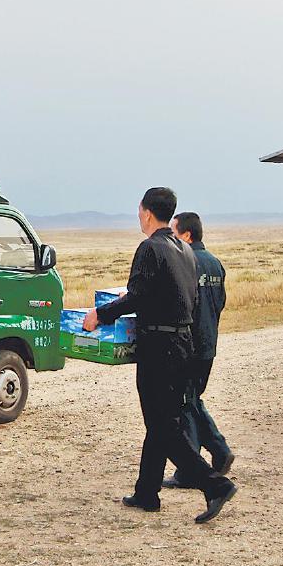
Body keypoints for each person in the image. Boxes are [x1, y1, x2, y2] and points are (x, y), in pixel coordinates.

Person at [83, 188, 237, 523]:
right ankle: (146, 492)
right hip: (182, 344)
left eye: (139, 210)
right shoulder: (185, 250)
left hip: (159, 347)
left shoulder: (150, 248)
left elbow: (136, 297)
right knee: (160, 422)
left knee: (163, 427)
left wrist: (100, 315)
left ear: (147, 212)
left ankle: (215, 485)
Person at [162, 212, 234, 489]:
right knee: (191, 399)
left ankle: (190, 469)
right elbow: (220, 302)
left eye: (174, 233)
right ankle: (219, 451)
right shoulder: (215, 263)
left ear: (187, 236)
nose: (171, 239)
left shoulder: (186, 262)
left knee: (183, 404)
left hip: (187, 344)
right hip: (208, 344)